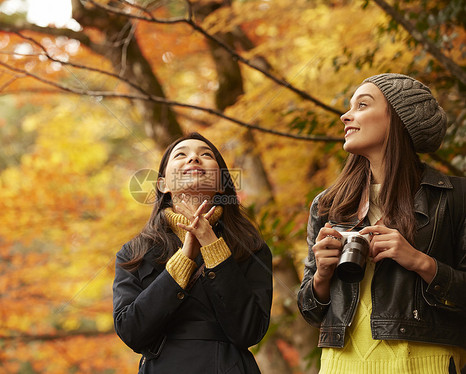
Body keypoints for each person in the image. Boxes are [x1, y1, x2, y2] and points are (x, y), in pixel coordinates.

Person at [297, 73, 466, 373]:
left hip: (425, 362)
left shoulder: (455, 198)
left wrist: (418, 261)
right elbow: (310, 311)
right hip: (342, 364)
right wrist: (322, 274)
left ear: (399, 119)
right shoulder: (327, 205)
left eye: (362, 104)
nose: (346, 116)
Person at [113, 132, 273, 373]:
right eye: (181, 154)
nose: (194, 159)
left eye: (205, 155)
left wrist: (211, 244)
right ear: (163, 185)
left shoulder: (250, 247)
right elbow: (131, 331)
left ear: (220, 184)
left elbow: (250, 331)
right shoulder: (135, 252)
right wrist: (184, 259)